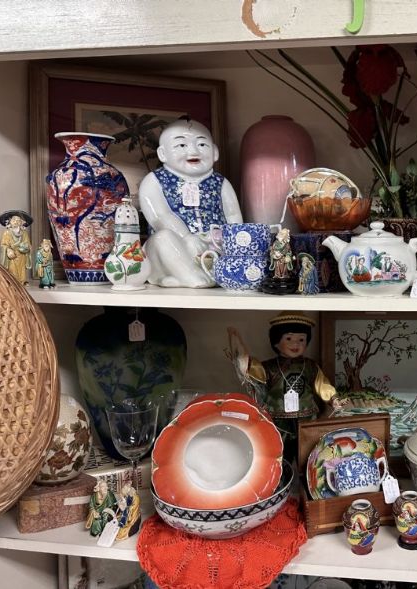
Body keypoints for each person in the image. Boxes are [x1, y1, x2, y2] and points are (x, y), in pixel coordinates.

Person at [226, 312, 347, 460]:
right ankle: (283, 472)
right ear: (276, 341)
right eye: (289, 339)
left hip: (307, 417)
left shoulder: (310, 366)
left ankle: (305, 472)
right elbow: (247, 366)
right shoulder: (269, 367)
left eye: (301, 339)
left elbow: (322, 384)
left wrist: (333, 398)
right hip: (279, 418)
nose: (295, 344)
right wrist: (237, 344)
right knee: (280, 451)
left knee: (308, 451)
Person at [139, 117, 242, 288]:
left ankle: (206, 275)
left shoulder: (221, 182)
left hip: (214, 245)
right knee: (163, 238)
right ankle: (191, 277)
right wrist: (186, 237)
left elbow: (233, 215)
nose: (193, 151)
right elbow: (160, 216)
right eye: (181, 145)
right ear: (162, 154)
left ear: (215, 152)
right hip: (176, 247)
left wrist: (233, 241)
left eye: (202, 144)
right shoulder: (154, 181)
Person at [0, 210, 33, 284]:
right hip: (12, 256)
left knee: (22, 270)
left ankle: (22, 281)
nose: (16, 222)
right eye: (14, 220)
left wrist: (26, 248)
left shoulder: (24, 233)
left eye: (18, 220)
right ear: (9, 222)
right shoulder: (7, 233)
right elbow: (3, 245)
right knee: (13, 270)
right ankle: (13, 282)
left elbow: (28, 244)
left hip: (22, 255)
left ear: (22, 223)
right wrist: (8, 250)